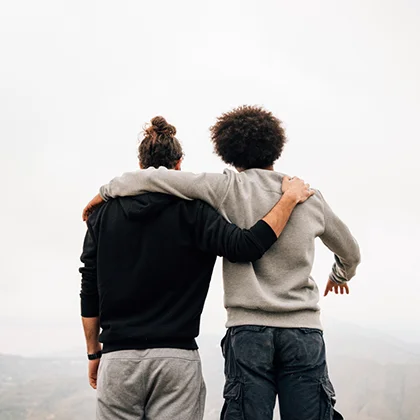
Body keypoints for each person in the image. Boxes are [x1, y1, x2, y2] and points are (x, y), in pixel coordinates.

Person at [83, 106, 361, 420]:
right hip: (303, 330)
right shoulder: (308, 196)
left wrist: (107, 192)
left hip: (247, 331)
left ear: (227, 150)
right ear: (276, 146)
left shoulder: (225, 188)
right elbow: (351, 252)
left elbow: (158, 178)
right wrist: (340, 273)